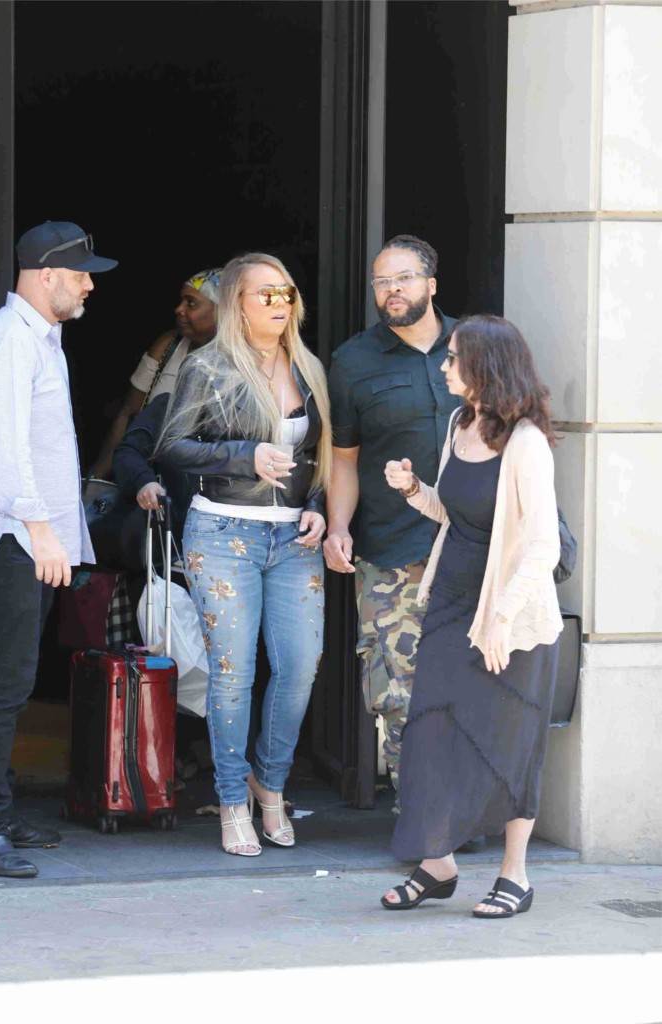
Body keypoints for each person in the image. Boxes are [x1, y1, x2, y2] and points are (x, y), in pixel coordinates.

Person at [380, 314, 563, 918]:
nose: (444, 365)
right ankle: (438, 864)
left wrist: (502, 619)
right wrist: (413, 490)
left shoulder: (526, 442)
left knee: (509, 743)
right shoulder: (461, 424)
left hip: (510, 617)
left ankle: (515, 875)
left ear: (486, 365)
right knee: (431, 734)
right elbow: (455, 513)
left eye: (454, 356)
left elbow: (542, 546)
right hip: (452, 605)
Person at [157, 253, 331, 856]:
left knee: (301, 666)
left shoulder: (308, 366)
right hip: (223, 530)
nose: (280, 303)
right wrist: (243, 456)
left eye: (286, 293)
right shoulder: (208, 366)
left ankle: (270, 785)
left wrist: (319, 504)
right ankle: (233, 799)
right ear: (236, 302)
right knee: (233, 673)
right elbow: (171, 445)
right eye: (266, 294)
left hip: (295, 536)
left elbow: (325, 454)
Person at [0, 221, 117, 879]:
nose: (90, 285)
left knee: (10, 685)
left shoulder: (40, 339)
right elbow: (5, 448)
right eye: (82, 273)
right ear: (47, 274)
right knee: (2, 688)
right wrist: (39, 532)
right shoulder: (10, 339)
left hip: (27, 541)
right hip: (11, 541)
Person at [324, 235, 459, 800]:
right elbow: (343, 459)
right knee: (397, 689)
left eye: (404, 278)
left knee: (472, 683)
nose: (392, 290)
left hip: (473, 548)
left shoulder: (476, 346)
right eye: (382, 282)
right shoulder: (353, 361)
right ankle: (422, 814)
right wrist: (338, 526)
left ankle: (464, 812)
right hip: (391, 549)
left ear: (431, 283)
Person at [89, 268, 220, 479]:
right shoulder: (168, 346)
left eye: (191, 303)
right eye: (181, 301)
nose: (179, 309)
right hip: (147, 478)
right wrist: (97, 477)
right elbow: (128, 413)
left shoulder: (242, 363)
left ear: (221, 311)